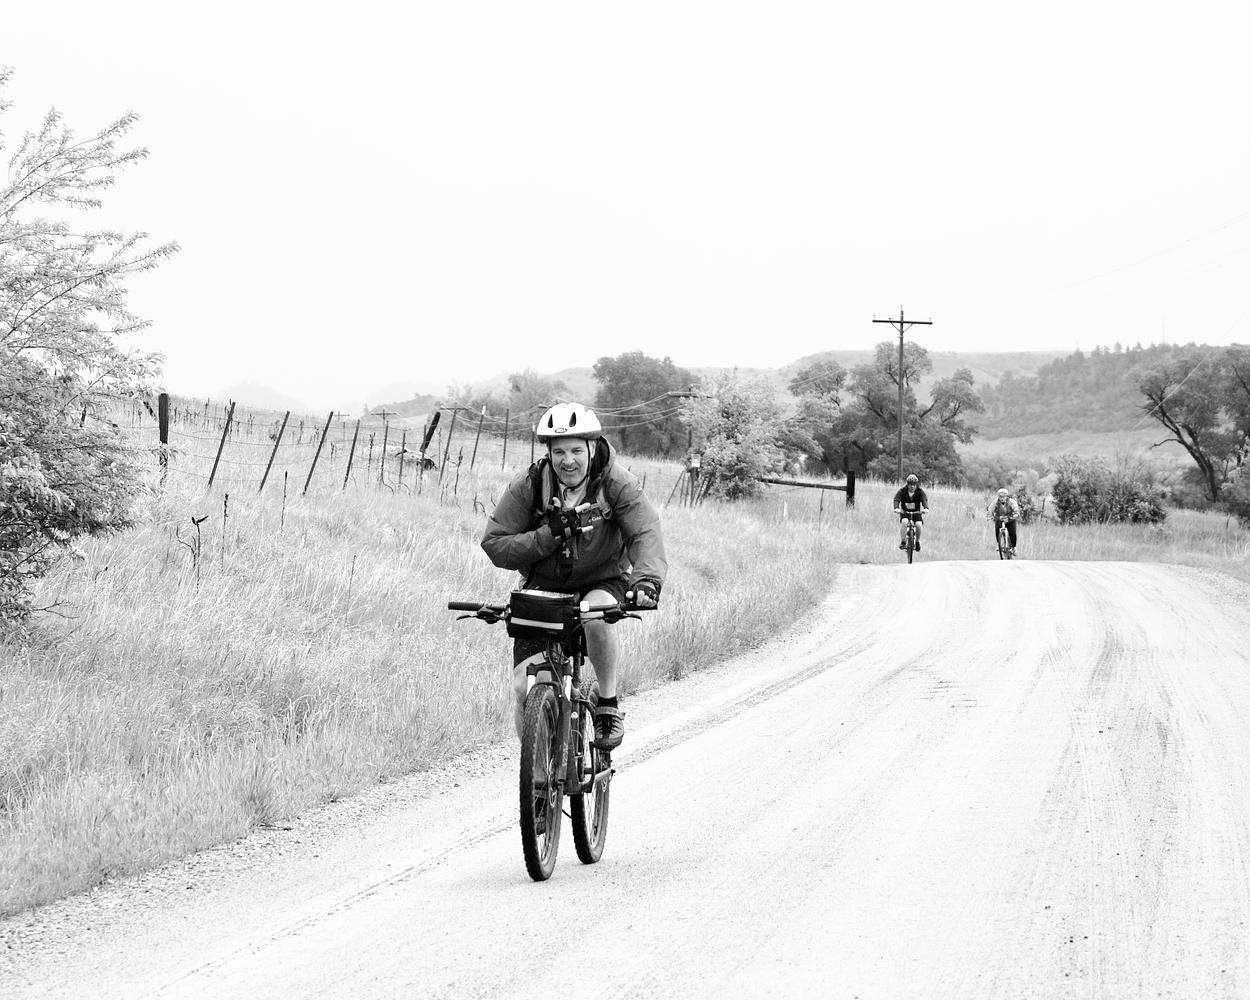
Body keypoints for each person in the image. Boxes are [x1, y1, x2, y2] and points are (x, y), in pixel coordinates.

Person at [481, 402, 666, 752]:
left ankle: (607, 703)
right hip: (544, 588)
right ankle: (539, 770)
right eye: (559, 452)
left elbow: (645, 532)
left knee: (596, 616)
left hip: (602, 579)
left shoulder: (616, 483)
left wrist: (646, 580)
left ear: (592, 448)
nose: (568, 460)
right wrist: (550, 534)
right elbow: (495, 544)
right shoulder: (530, 484)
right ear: (549, 453)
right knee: (522, 687)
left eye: (576, 451)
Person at [892, 473, 929, 550]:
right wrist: (896, 508)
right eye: (910, 484)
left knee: (919, 525)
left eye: (914, 485)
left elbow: (924, 499)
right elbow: (896, 499)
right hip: (904, 512)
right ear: (907, 484)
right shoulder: (902, 491)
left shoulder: (920, 491)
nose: (912, 486)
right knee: (904, 522)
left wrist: (926, 508)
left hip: (916, 512)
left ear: (916, 485)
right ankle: (903, 542)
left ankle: (917, 542)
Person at [988, 487, 1022, 554]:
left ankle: (1013, 547)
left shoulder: (1012, 502)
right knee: (997, 531)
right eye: (1000, 497)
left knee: (1013, 533)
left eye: (1003, 496)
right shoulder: (995, 502)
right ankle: (999, 544)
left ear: (1006, 496)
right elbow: (990, 509)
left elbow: (1016, 511)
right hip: (999, 519)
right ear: (998, 497)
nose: (1002, 498)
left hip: (1010, 519)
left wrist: (1014, 516)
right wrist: (989, 516)